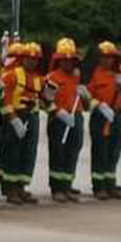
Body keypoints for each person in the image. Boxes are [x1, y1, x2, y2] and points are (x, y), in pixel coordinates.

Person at [0, 42, 44, 204]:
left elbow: (42, 99)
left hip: (32, 117)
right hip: (15, 117)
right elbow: (3, 100)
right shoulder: (11, 75)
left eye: (36, 59)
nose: (33, 61)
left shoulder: (38, 77)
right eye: (29, 58)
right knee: (12, 153)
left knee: (28, 153)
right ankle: (10, 189)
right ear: (22, 59)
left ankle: (21, 187)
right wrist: (13, 119)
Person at [43, 39, 86, 203]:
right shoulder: (51, 77)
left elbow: (85, 101)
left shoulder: (77, 76)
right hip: (59, 119)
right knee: (58, 153)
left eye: (71, 60)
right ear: (59, 60)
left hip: (76, 116)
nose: (68, 63)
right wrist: (59, 112)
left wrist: (85, 95)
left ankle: (67, 184)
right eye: (65, 59)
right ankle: (57, 187)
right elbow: (46, 101)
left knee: (73, 151)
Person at [87, 41, 121, 200]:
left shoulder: (119, 75)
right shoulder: (94, 74)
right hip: (100, 117)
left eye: (110, 57)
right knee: (100, 152)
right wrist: (100, 106)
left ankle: (110, 183)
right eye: (104, 57)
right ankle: (99, 186)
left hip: (117, 117)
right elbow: (86, 97)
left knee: (114, 152)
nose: (108, 60)